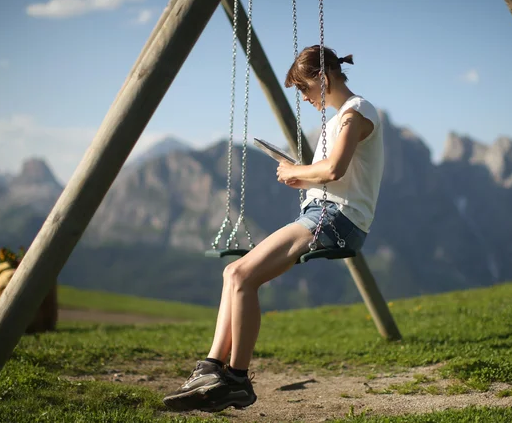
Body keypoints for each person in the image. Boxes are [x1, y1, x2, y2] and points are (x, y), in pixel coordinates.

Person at [162, 45, 385, 413]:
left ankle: (236, 379)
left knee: (243, 276)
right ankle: (212, 369)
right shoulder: (341, 118)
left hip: (335, 219)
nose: (303, 97)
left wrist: (297, 172)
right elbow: (332, 173)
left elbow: (334, 170)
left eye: (304, 87)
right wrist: (302, 178)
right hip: (324, 212)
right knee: (233, 273)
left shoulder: (355, 112)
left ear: (323, 78)